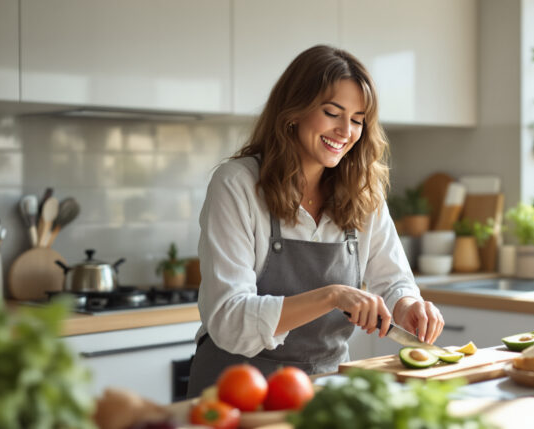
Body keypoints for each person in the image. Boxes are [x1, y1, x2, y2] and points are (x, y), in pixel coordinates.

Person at [187, 45, 444, 397]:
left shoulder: (363, 191)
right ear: (293, 111)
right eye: (332, 113)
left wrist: (408, 306)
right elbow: (230, 320)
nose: (345, 131)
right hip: (237, 390)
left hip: (325, 388)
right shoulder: (237, 184)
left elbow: (393, 279)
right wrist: (332, 296)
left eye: (357, 120)